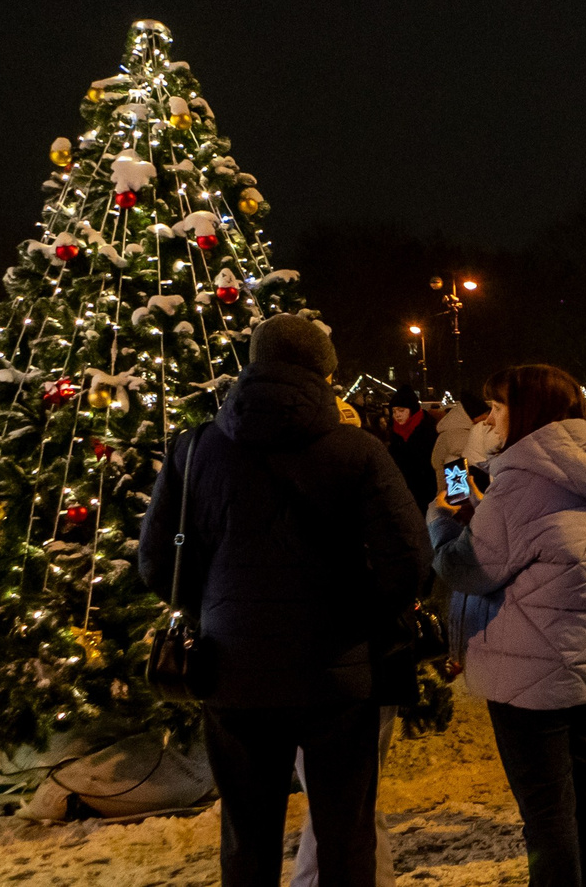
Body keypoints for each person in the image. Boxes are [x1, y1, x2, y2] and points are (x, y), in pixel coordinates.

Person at [138, 313, 426, 887]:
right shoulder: (358, 451)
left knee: (247, 835)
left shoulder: (196, 449)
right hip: (336, 676)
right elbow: (409, 562)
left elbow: (156, 562)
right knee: (344, 835)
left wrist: (216, 608)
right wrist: (362, 615)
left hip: (233, 670)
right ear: (324, 372)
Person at [429, 363, 586, 887]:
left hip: (530, 673)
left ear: (525, 412)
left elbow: (465, 568)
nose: (490, 420)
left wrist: (440, 520)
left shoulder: (521, 483)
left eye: (498, 407)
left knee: (547, 813)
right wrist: (488, 517)